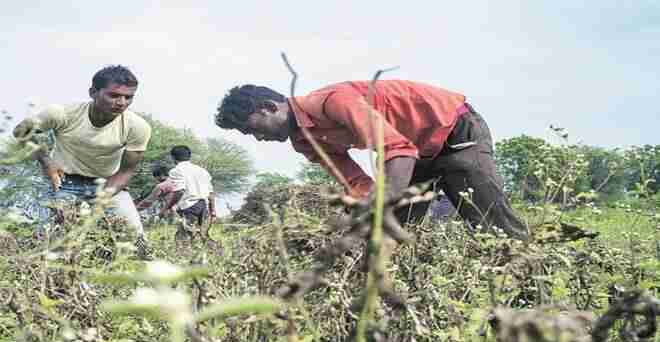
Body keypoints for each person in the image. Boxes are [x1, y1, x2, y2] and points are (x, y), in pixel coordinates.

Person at [215, 81, 527, 239]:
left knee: (491, 223)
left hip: (453, 129)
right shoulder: (304, 142)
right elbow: (356, 182)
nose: (257, 138)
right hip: (411, 151)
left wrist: (382, 202)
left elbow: (398, 150)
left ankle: (531, 293)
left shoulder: (332, 102)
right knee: (395, 230)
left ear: (270, 107)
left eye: (252, 128)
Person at [12, 65, 153, 257]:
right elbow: (21, 132)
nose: (121, 102)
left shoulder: (137, 127)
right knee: (52, 240)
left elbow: (126, 171)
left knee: (137, 239)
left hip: (107, 184)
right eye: (113, 95)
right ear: (93, 92)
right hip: (63, 182)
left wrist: (104, 197)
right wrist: (46, 161)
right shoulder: (61, 113)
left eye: (128, 97)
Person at [159, 145, 216, 244]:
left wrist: (167, 207)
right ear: (190, 156)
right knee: (204, 236)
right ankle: (218, 253)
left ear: (173, 157)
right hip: (204, 206)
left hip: (189, 207)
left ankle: (183, 258)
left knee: (182, 239)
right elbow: (211, 194)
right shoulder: (202, 171)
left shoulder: (176, 171)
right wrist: (213, 211)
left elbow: (180, 191)